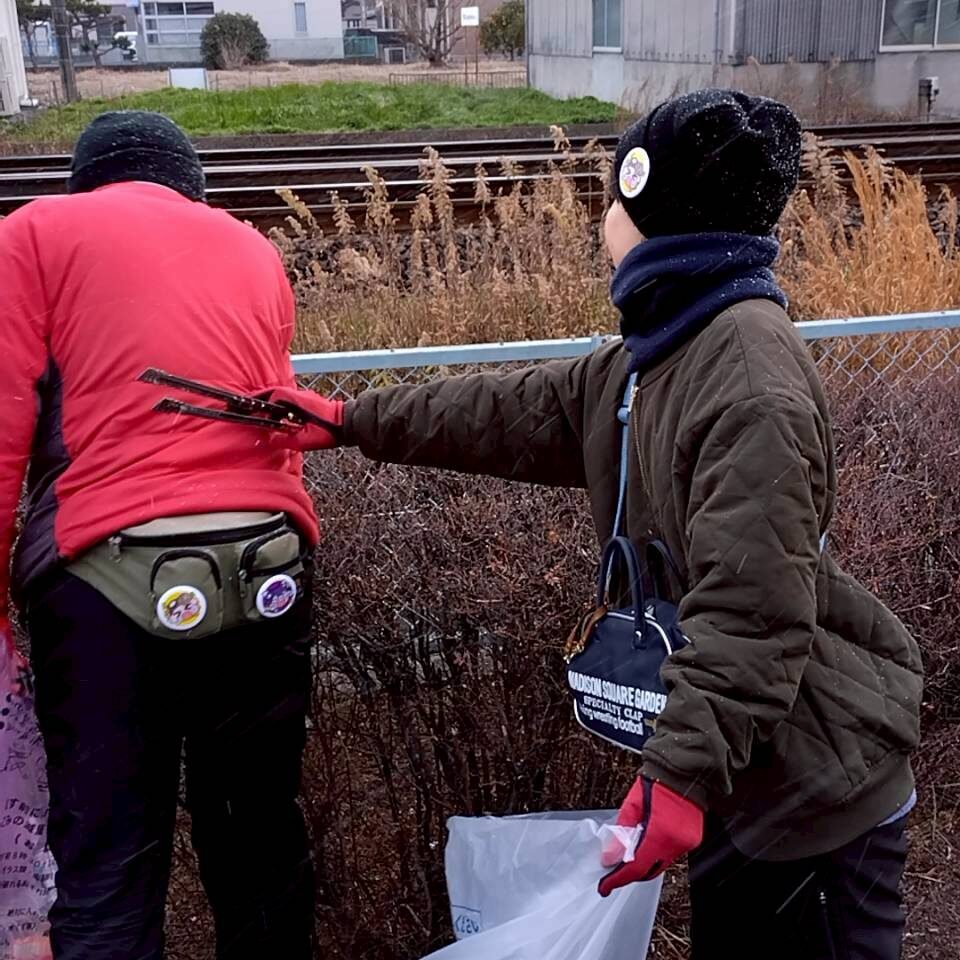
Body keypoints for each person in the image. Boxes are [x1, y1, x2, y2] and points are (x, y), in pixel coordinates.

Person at [265, 90, 923, 959]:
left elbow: (753, 609)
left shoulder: (744, 375)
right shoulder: (669, 345)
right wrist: (353, 420)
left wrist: (679, 775)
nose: (602, 217)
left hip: (815, 786)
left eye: (613, 199)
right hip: (752, 768)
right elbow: (513, 410)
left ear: (655, 213)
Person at [0, 111, 324, 960]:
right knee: (258, 839)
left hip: (104, 582)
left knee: (109, 857)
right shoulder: (252, 247)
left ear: (85, 182)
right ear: (191, 187)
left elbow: (2, 430)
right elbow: (280, 414)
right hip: (267, 567)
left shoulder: (32, 234)